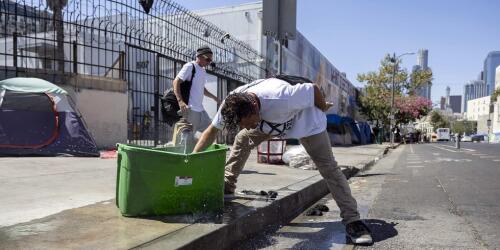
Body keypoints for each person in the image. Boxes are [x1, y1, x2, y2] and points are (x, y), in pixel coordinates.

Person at [192, 77, 373, 244]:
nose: (244, 126)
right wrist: (190, 160)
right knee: (242, 138)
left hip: (308, 126)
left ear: (254, 108)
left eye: (245, 122)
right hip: (269, 124)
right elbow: (211, 132)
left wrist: (323, 105)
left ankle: (353, 221)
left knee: (329, 169)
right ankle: (227, 185)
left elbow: (313, 89)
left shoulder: (281, 98)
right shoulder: (232, 104)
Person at [172, 45, 218, 135]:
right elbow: (176, 82)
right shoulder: (190, 66)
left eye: (210, 60)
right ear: (200, 56)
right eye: (208, 59)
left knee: (211, 131)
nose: (209, 62)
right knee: (187, 139)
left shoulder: (203, 70)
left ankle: (197, 147)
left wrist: (215, 98)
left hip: (200, 110)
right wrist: (180, 101)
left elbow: (202, 88)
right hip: (191, 109)